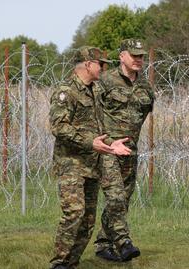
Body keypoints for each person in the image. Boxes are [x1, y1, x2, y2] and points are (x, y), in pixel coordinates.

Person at [49, 46, 131, 269]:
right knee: (74, 213)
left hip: (92, 164)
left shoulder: (94, 90)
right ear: (87, 64)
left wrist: (110, 144)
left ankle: (71, 263)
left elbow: (99, 127)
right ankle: (59, 262)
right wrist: (89, 142)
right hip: (71, 164)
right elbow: (58, 126)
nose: (103, 68)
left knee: (87, 221)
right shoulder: (66, 91)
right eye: (100, 64)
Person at [93, 38, 154, 262]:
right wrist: (109, 141)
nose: (138, 59)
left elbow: (143, 114)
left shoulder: (145, 85)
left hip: (129, 150)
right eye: (134, 55)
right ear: (122, 56)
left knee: (122, 199)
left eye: (141, 56)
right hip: (108, 149)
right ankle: (123, 241)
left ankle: (103, 244)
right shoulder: (105, 81)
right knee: (116, 196)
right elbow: (93, 114)